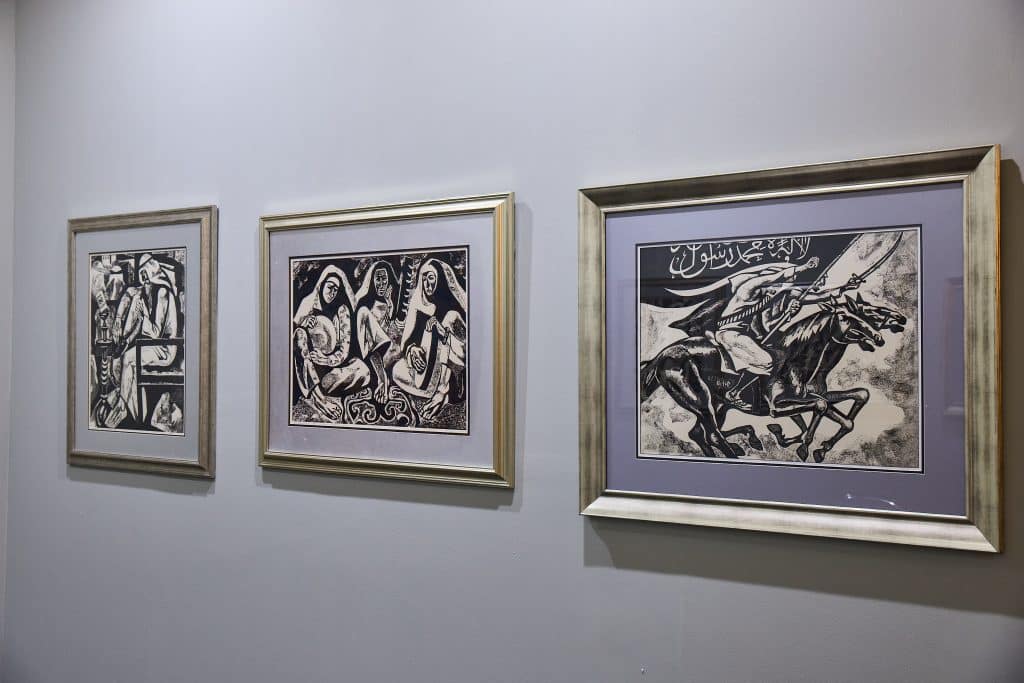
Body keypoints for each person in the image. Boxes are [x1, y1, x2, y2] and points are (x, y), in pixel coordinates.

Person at [392, 258, 467, 421]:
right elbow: (409, 339)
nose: (427, 283)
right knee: (397, 370)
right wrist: (412, 350)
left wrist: (442, 334)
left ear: (440, 278)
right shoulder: (418, 304)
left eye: (431, 277)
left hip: (450, 372)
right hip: (427, 370)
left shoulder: (452, 311)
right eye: (423, 278)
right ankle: (431, 390)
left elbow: (462, 350)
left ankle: (444, 393)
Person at [115, 253, 182, 425]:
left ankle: (122, 407)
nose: (143, 279)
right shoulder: (149, 292)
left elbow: (156, 333)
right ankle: (140, 417)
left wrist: (143, 312)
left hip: (165, 348)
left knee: (128, 359)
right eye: (141, 275)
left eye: (145, 274)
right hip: (152, 345)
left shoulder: (162, 292)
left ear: (151, 271)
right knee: (127, 366)